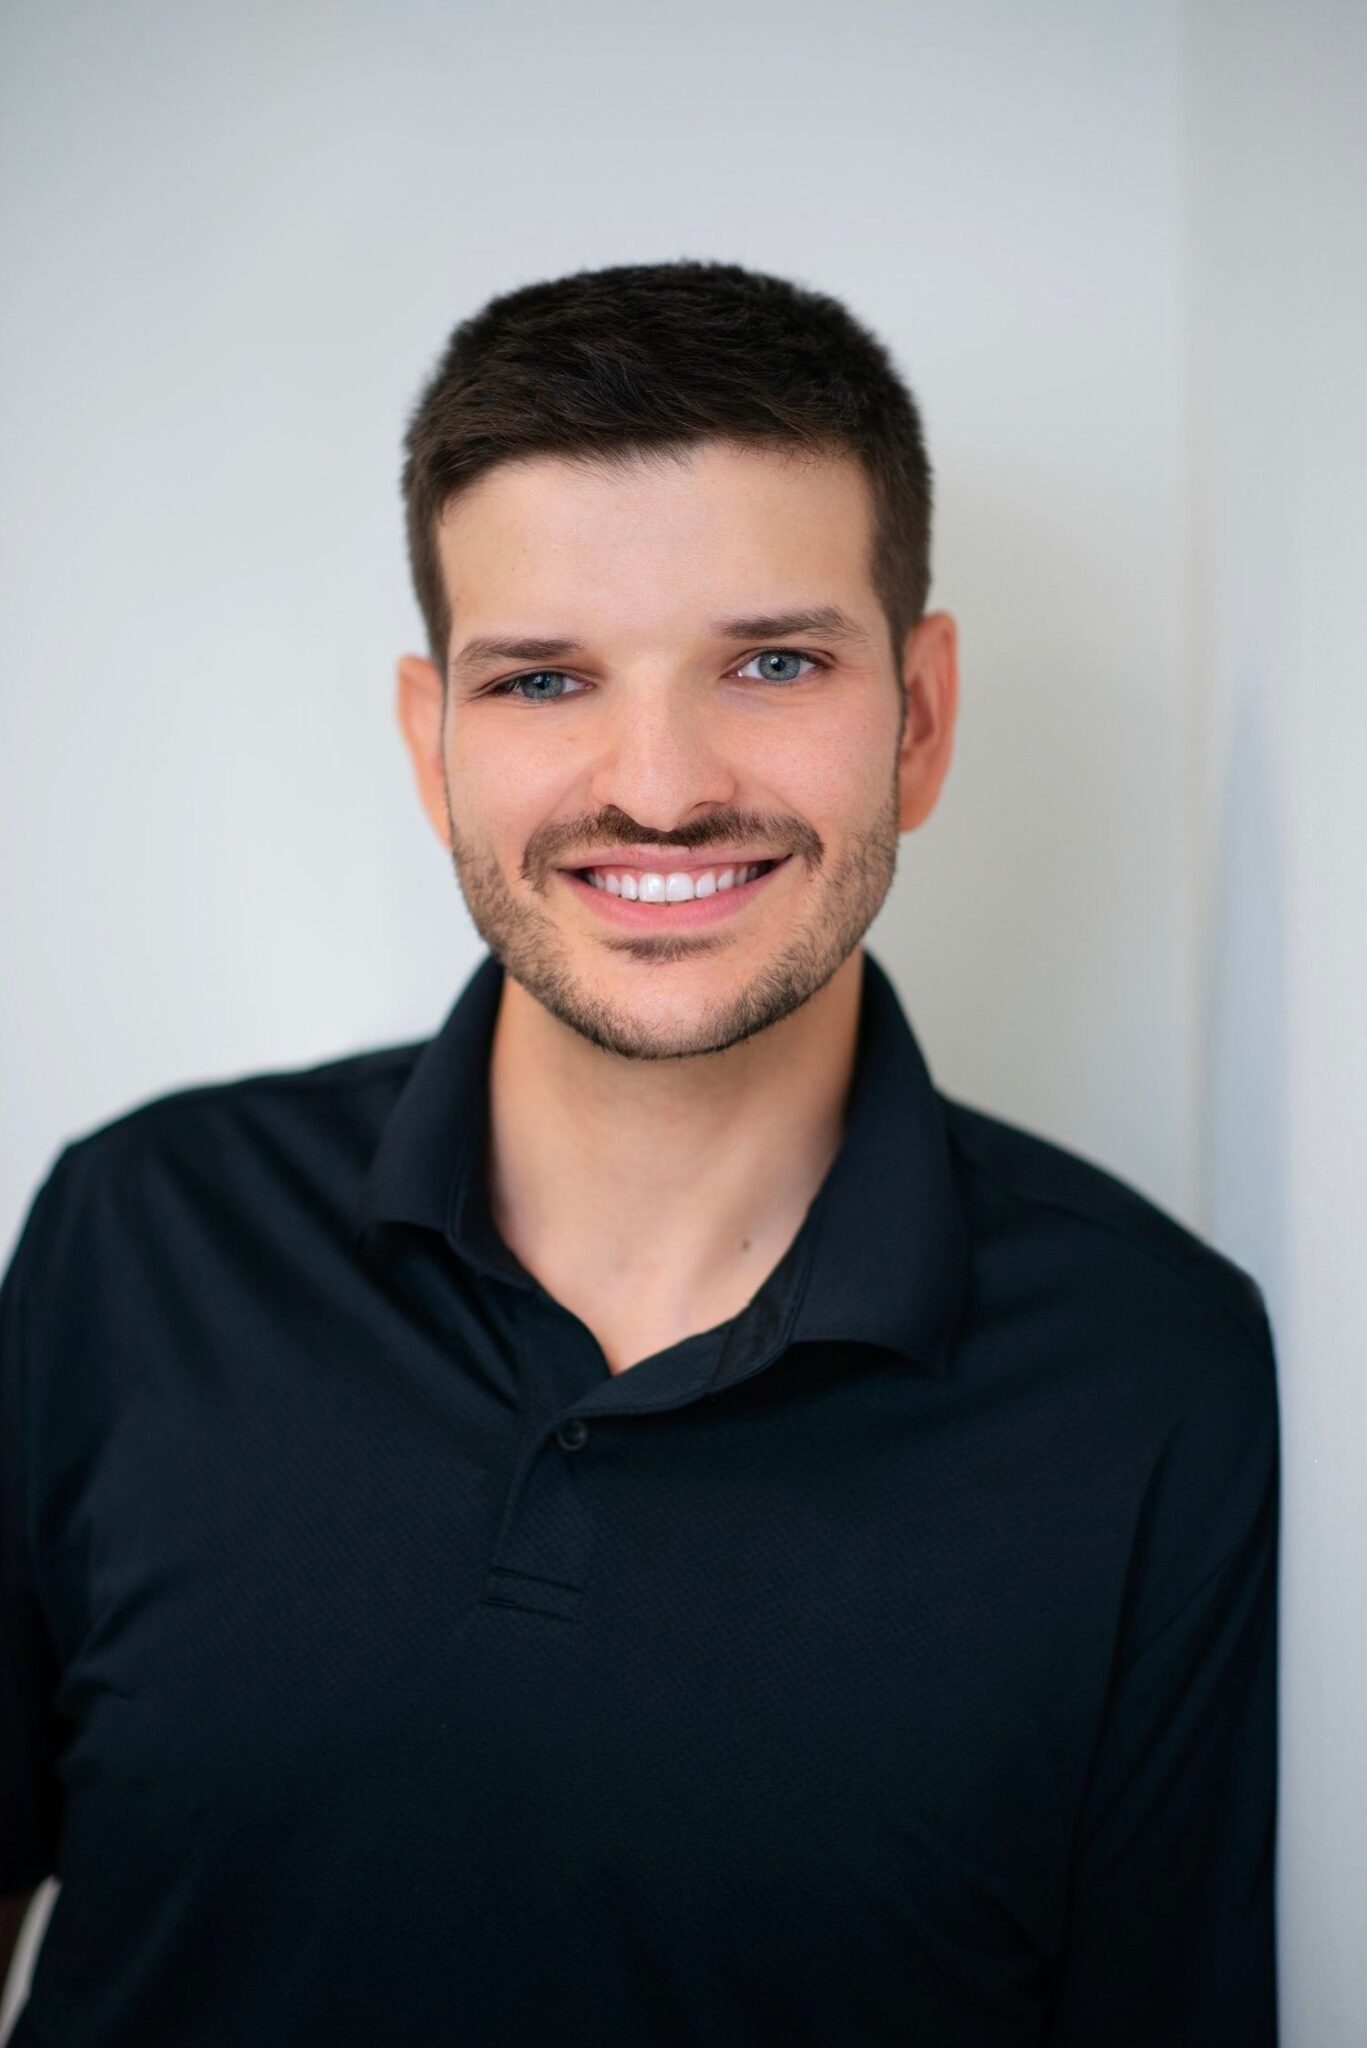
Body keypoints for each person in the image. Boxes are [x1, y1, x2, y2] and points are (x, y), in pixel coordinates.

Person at [0, 259, 1279, 2045]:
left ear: (919, 716)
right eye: (541, 681)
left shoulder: (1160, 1370)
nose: (661, 786)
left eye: (770, 661)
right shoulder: (135, 1238)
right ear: (430, 743)